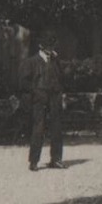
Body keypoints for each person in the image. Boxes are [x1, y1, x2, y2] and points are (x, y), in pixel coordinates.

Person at [20, 36, 66, 171]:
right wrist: (35, 93)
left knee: (57, 128)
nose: (51, 50)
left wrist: (60, 93)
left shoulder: (56, 61)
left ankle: (56, 159)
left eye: (52, 47)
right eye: (48, 47)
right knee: (38, 129)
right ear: (41, 47)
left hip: (54, 97)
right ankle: (34, 161)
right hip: (39, 99)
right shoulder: (32, 62)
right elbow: (24, 82)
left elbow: (61, 78)